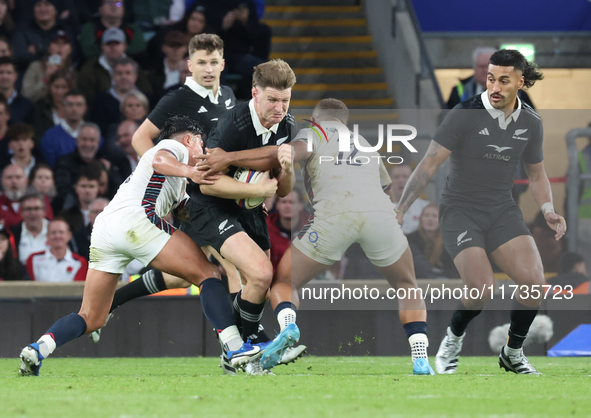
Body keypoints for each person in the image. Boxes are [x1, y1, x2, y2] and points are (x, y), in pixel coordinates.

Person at [18, 116, 265, 377]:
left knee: (92, 317)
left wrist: (236, 207)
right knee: (209, 274)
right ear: (189, 139)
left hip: (105, 229)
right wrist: (191, 171)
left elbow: (186, 211)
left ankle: (38, 349)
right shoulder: (173, 149)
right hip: (137, 220)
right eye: (201, 144)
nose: (203, 151)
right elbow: (160, 160)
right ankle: (235, 348)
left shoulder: (177, 180)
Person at [395, 49, 566, 375]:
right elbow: (429, 163)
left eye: (504, 80)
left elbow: (536, 174)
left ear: (521, 81)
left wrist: (548, 210)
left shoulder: (530, 121)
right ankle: (453, 337)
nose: (495, 87)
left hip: (503, 210)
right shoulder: (464, 114)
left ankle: (512, 353)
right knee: (481, 288)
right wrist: (401, 208)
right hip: (460, 210)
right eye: (490, 78)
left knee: (534, 284)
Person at [262, 98, 435, 375]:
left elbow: (296, 150)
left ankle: (288, 326)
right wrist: (396, 214)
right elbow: (386, 188)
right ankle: (420, 357)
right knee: (406, 284)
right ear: (345, 121)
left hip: (334, 215)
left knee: (285, 281)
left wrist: (282, 155)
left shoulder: (313, 132)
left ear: (317, 119)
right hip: (378, 214)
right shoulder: (366, 145)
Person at [77, 28, 152, 105]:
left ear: (125, 45)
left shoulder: (134, 65)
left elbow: (145, 90)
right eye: (109, 44)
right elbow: (87, 97)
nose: (113, 47)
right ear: (102, 46)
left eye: (117, 43)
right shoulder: (90, 67)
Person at [446, 47, 535, 110]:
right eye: (482, 66)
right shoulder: (459, 92)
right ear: (475, 68)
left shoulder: (518, 94)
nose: (486, 71)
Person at [10, 0, 76, 71]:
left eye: (47, 4)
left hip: (61, 73)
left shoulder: (65, 30)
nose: (42, 9)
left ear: (56, 9)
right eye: (38, 5)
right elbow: (20, 56)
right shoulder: (23, 30)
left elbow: (73, 54)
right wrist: (53, 54)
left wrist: (39, 50)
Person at [89, 57, 146, 136]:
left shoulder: (148, 98)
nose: (124, 77)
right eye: (119, 73)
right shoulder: (100, 101)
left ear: (135, 76)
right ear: (112, 76)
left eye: (128, 73)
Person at [79, 0, 146, 60]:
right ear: (100, 9)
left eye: (118, 4)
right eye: (108, 3)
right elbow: (89, 51)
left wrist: (110, 51)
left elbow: (139, 48)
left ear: (123, 9)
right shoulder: (90, 27)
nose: (114, 6)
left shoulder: (133, 28)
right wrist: (118, 51)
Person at [25, 217, 87, 282]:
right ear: (47, 236)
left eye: (61, 232)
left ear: (69, 235)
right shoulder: (33, 259)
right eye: (53, 232)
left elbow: (77, 290)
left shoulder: (80, 263)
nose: (57, 236)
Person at [406, 204, 458, 279]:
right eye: (426, 215)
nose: (430, 219)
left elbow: (453, 269)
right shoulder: (410, 239)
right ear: (421, 219)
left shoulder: (450, 242)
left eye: (434, 216)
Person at [21, 30, 74, 103]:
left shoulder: (73, 70)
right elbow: (26, 95)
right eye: (56, 43)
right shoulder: (36, 67)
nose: (60, 46)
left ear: (70, 49)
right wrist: (45, 79)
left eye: (64, 44)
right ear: (49, 48)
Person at [39, 89, 87, 167]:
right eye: (70, 104)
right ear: (63, 107)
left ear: (85, 108)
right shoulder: (50, 136)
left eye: (79, 105)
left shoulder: (94, 134)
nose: (74, 109)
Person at [266, 187, 308, 274]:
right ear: (277, 205)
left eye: (292, 202)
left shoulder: (313, 228)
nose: (287, 206)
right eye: (284, 202)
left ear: (301, 205)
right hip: (274, 282)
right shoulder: (265, 229)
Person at [32, 69, 74, 144]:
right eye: (56, 87)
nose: (60, 92)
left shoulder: (78, 109)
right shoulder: (41, 109)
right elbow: (38, 136)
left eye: (64, 88)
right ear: (50, 87)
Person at [389, 164, 429, 235]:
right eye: (396, 177)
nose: (400, 180)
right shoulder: (380, 208)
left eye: (405, 177)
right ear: (389, 181)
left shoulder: (425, 207)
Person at [10, 193, 49, 264]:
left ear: (44, 211)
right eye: (28, 209)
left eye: (36, 208)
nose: (32, 213)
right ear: (21, 212)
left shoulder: (56, 231)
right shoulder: (13, 233)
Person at [0, 57, 33, 124]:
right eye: (1, 72)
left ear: (15, 76)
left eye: (9, 73)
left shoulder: (27, 105)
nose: (4, 76)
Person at [0, 164, 28, 228]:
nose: (14, 181)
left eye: (18, 177)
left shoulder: (38, 202)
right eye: (9, 177)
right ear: (2, 181)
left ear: (26, 180)